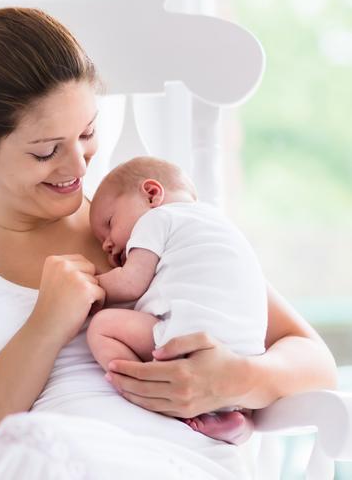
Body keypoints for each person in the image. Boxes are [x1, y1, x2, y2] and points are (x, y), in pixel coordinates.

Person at [0, 1, 337, 480]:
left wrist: (238, 379)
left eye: (87, 133)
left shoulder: (150, 226)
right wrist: (44, 328)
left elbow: (315, 364)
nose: (78, 167)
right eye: (45, 151)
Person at [86, 156, 267, 445]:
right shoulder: (220, 224)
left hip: (187, 343)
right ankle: (238, 420)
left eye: (109, 224)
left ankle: (145, 387)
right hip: (243, 356)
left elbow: (131, 283)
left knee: (102, 326)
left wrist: (88, 286)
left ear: (152, 194)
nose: (107, 244)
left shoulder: (157, 218)